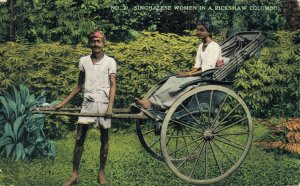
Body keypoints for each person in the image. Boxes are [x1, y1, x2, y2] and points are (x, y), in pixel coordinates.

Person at [54, 31, 116, 185]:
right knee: (79, 138)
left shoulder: (110, 62)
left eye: (98, 41)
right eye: (93, 41)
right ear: (89, 43)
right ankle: (74, 175)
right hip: (87, 102)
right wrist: (63, 103)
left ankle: (101, 173)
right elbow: (79, 85)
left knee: (104, 138)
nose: (96, 44)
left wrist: (110, 108)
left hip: (103, 102)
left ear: (104, 43)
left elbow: (113, 85)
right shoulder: (83, 61)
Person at [135, 19, 222, 110]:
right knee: (173, 79)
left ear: (209, 32)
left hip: (207, 78)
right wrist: (187, 73)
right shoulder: (201, 45)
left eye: (202, 30)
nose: (198, 32)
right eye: (197, 30)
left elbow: (207, 69)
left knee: (179, 84)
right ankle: (151, 102)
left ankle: (156, 104)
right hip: (200, 75)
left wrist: (188, 74)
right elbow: (197, 65)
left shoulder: (214, 46)